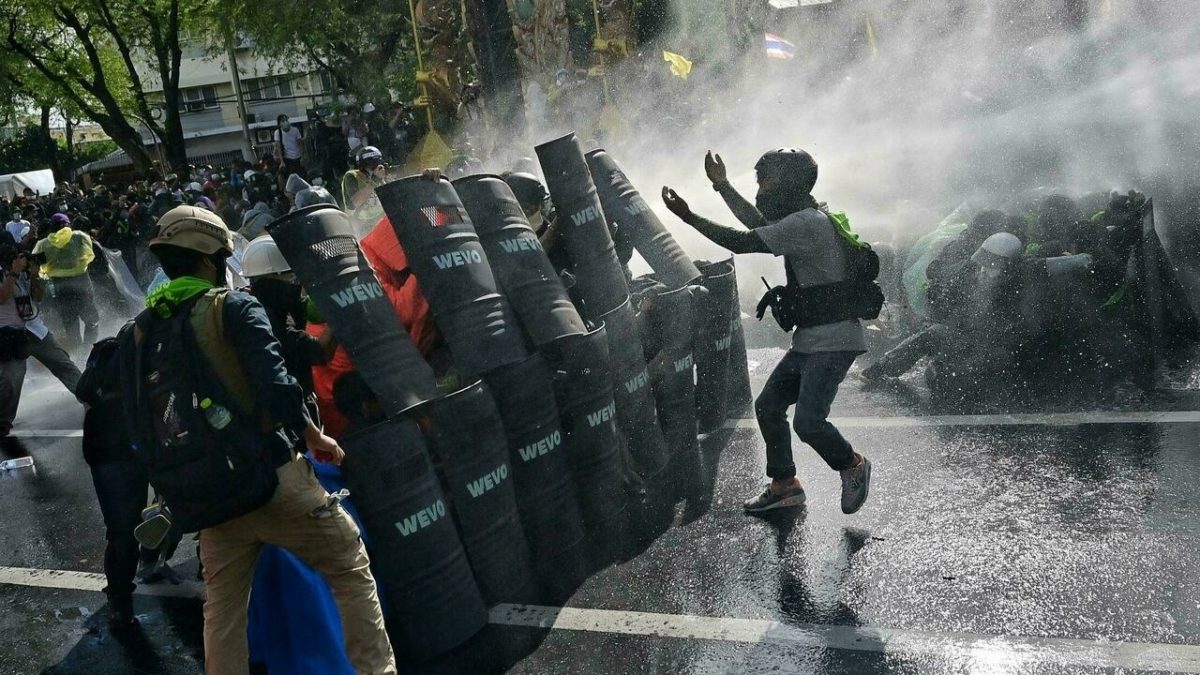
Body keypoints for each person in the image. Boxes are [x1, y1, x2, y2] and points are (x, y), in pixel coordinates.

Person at [123, 206, 396, 674]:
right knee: (349, 568)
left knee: (223, 612)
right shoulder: (232, 307)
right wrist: (312, 435)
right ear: (213, 258)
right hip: (271, 477)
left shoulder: (141, 329)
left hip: (208, 500)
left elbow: (136, 422)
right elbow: (277, 388)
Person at [662, 148, 872, 515]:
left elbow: (745, 241)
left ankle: (853, 465)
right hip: (812, 340)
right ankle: (784, 485)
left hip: (834, 341)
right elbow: (757, 224)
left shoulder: (807, 223)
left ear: (788, 182)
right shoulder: (806, 218)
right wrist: (722, 186)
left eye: (766, 180)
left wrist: (689, 217)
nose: (760, 188)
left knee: (808, 422)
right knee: (769, 406)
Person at [0, 247, 82, 446]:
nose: (24, 261)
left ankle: (90, 397)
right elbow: (2, 298)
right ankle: (3, 421)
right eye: (20, 258)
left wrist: (35, 276)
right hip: (9, 334)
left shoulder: (25, 275)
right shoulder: (5, 273)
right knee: (11, 379)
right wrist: (13, 273)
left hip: (35, 330)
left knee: (62, 363)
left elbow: (38, 298)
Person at [32, 213, 101, 348]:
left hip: (59, 287)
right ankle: (89, 350)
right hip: (81, 283)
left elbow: (36, 267)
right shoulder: (80, 237)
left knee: (70, 323)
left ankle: (79, 353)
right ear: (68, 224)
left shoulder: (43, 244)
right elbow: (90, 255)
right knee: (92, 320)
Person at [340, 146, 386, 235]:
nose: (375, 170)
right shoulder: (352, 176)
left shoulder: (381, 176)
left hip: (382, 221)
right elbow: (355, 203)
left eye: (377, 165)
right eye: (372, 167)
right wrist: (374, 181)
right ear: (363, 167)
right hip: (362, 226)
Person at [274, 115, 306, 180]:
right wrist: (282, 161)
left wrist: (303, 156)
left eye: (286, 120)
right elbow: (278, 147)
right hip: (287, 158)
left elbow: (300, 144)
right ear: (279, 123)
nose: (285, 122)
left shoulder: (295, 130)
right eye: (283, 121)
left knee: (301, 177)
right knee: (290, 178)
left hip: (298, 157)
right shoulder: (278, 132)